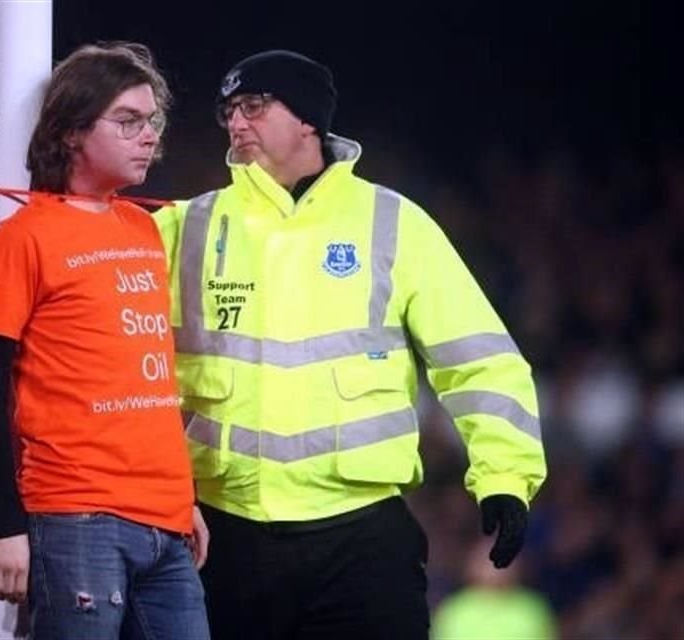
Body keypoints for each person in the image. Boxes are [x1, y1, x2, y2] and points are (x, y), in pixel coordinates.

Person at [153, 49, 548, 640]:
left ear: (308, 119)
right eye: (228, 110)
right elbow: (68, 283)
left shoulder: (393, 222)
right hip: (221, 533)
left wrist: (505, 478)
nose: (236, 123)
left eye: (254, 106)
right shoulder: (186, 225)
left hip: (360, 539)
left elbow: (480, 361)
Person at [0, 42, 210, 640]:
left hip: (167, 521)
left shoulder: (143, 228)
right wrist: (3, 526)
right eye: (127, 120)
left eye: (152, 122)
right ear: (71, 132)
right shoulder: (24, 238)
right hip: (75, 518)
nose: (148, 135)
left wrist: (182, 498)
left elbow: (142, 373)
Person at [432, 539, 556, 640]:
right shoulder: (453, 610)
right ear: (472, 566)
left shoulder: (533, 608)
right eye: (487, 561)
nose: (494, 568)